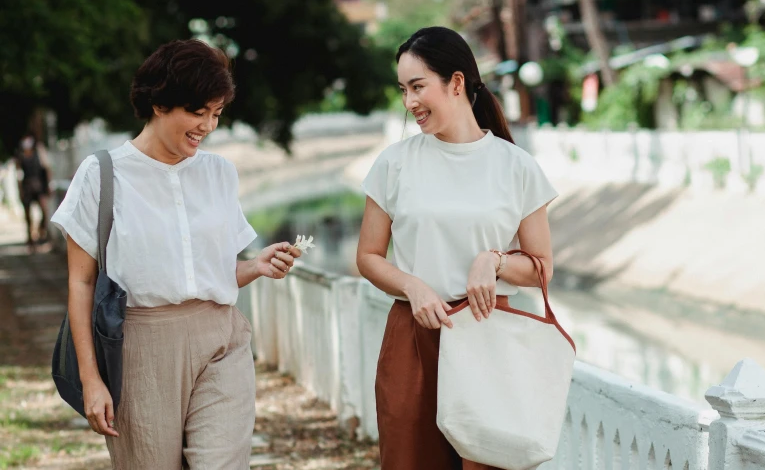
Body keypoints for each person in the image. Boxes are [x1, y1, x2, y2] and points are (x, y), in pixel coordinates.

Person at [51, 39, 302, 469]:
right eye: (197, 111)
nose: (207, 125)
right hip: (140, 351)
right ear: (160, 103)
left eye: (216, 113)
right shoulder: (101, 175)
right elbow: (81, 282)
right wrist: (92, 381)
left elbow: (207, 272)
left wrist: (254, 267)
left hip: (221, 340)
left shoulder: (219, 173)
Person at [356, 27, 559, 470]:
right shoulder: (394, 163)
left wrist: (496, 260)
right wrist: (413, 286)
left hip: (490, 337)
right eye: (403, 89)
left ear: (457, 82)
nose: (409, 102)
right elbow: (368, 257)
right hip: (413, 337)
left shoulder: (516, 167)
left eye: (417, 86)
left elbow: (542, 268)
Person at [14, 133, 52, 248]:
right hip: (26, 186)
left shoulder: (39, 151)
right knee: (27, 215)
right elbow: (18, 174)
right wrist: (20, 190)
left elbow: (47, 168)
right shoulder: (20, 155)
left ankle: (41, 231)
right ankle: (30, 237)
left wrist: (48, 185)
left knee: (44, 211)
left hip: (39, 186)